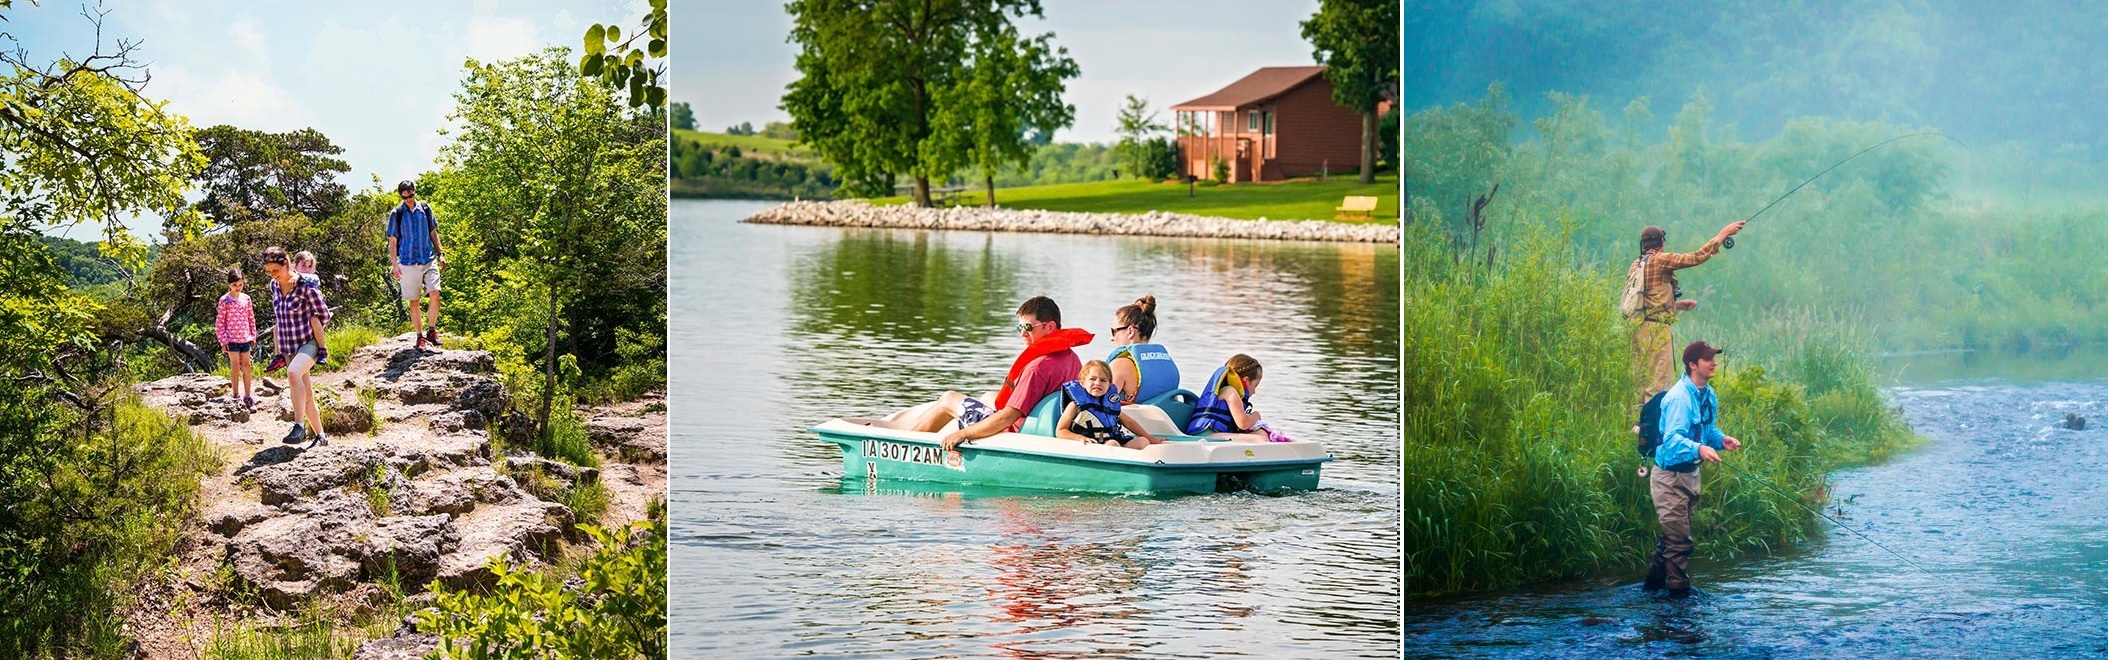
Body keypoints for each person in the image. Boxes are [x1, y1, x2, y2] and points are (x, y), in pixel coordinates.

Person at [899, 296, 1093, 451]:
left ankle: (904, 445)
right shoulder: (1072, 358)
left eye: (1027, 327)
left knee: (949, 398)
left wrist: (963, 434)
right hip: (1042, 421)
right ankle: (914, 431)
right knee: (988, 396)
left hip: (1011, 429)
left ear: (1050, 326)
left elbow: (1005, 418)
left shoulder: (1037, 368)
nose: (1022, 334)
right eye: (1019, 327)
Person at [1643, 341, 1744, 596]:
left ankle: (1650, 592)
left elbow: (1706, 430)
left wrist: (1721, 440)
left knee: (1671, 539)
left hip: (1690, 476)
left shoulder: (1708, 394)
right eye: (1708, 359)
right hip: (1668, 478)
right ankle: (1680, 598)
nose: (1714, 363)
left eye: (1714, 358)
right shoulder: (1679, 398)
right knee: (1680, 543)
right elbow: (1673, 440)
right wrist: (1699, 449)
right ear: (1692, 364)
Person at [1623, 221, 1745, 402]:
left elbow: (1647, 300)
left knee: (1642, 381)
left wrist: (1677, 306)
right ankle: (1655, 426)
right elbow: (1697, 257)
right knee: (1658, 383)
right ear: (1662, 242)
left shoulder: (1637, 264)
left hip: (1638, 327)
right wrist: (1723, 234)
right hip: (1656, 331)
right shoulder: (1660, 260)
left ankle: (1639, 425)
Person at [265, 247, 333, 447]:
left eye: (275, 271)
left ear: (286, 264)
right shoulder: (274, 286)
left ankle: (299, 426)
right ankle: (321, 436)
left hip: (308, 343)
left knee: (293, 373)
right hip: (288, 346)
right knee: (307, 396)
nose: (273, 276)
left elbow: (325, 314)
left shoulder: (305, 286)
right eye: (269, 272)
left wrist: (315, 328)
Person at [387, 180, 447, 351]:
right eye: (404, 197)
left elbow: (433, 233)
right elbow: (393, 241)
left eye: (410, 195)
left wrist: (441, 253)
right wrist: (394, 264)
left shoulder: (426, 209)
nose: (408, 199)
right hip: (407, 262)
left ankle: (432, 331)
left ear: (414, 192)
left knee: (435, 293)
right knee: (414, 301)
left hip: (428, 258)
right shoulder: (396, 213)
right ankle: (419, 336)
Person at [1184, 354, 1294, 442]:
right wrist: (1256, 415)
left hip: (1213, 434)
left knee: (1261, 434)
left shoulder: (1226, 390)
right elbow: (1243, 423)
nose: (1255, 391)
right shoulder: (1230, 392)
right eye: (1255, 385)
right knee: (1261, 439)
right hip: (1204, 436)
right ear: (1246, 380)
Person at [1055, 360, 1163, 449]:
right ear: (1082, 383)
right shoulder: (1074, 406)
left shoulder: (1111, 404)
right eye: (1092, 379)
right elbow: (1060, 431)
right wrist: (1079, 438)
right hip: (1091, 446)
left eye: (1103, 380)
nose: (1097, 383)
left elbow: (1129, 423)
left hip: (1113, 443)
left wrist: (1150, 438)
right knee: (1113, 444)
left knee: (1143, 442)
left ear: (1109, 385)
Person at [1105, 294, 1179, 405]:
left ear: (1130, 331)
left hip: (1135, 421)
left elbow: (1100, 407)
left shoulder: (1120, 365)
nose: (1111, 338)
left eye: (1114, 331)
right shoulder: (1168, 364)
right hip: (1169, 420)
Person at [214, 266, 257, 410]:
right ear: (229, 284)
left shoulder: (247, 298)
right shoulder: (224, 300)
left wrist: (253, 335)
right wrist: (223, 340)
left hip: (245, 338)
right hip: (231, 339)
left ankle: (248, 396)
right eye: (234, 285)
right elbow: (220, 322)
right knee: (235, 366)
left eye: (240, 284)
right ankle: (235, 395)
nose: (237, 287)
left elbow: (251, 318)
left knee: (246, 365)